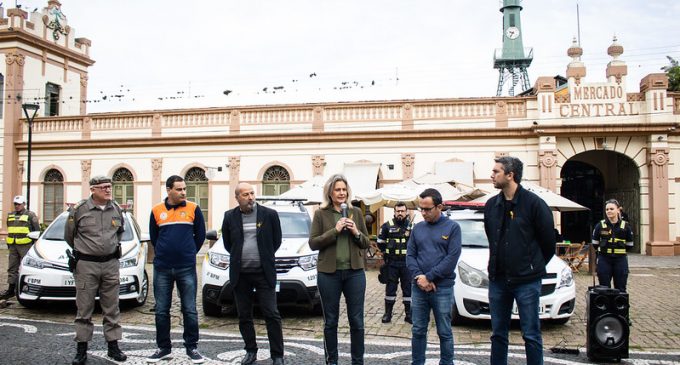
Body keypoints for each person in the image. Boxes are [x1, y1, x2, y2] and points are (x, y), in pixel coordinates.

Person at [483, 156, 556, 365]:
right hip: (498, 279)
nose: (492, 175)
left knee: (531, 334)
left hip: (527, 281)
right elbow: (492, 237)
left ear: (510, 175)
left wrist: (531, 265)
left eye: (496, 171)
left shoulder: (534, 204)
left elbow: (548, 243)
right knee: (498, 334)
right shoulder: (491, 205)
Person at [64, 176, 127, 365]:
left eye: (109, 187)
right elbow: (69, 236)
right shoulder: (79, 210)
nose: (108, 190)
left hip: (110, 264)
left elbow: (119, 232)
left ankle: (113, 347)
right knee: (84, 309)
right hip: (86, 265)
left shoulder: (115, 208)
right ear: (93, 189)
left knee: (112, 308)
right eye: (104, 187)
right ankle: (81, 349)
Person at [309, 174, 370, 365]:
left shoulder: (356, 212)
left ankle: (357, 361)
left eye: (344, 189)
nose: (341, 193)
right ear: (330, 192)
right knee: (331, 322)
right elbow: (313, 243)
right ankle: (332, 361)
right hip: (329, 274)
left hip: (355, 273)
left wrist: (356, 232)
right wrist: (334, 231)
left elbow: (366, 243)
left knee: (357, 322)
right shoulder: (321, 213)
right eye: (337, 189)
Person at [221, 182, 284, 365]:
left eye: (252, 193)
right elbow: (228, 243)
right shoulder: (229, 217)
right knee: (244, 315)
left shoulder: (269, 215)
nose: (250, 197)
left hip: (263, 273)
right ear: (237, 198)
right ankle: (250, 351)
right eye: (246, 194)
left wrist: (263, 256)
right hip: (241, 275)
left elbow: (276, 241)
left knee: (271, 314)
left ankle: (277, 355)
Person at [148, 175, 206, 364]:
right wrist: (166, 253)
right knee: (161, 310)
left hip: (186, 267)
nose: (183, 192)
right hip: (162, 268)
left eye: (184, 189)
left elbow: (201, 235)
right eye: (179, 189)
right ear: (169, 190)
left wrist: (188, 253)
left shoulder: (193, 209)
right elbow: (154, 237)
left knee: (189, 309)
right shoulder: (156, 210)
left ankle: (192, 347)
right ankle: (163, 348)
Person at [406, 188, 462, 365]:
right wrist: (419, 278)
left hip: (443, 287)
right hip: (419, 287)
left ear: (440, 207)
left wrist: (429, 277)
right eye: (420, 209)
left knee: (444, 331)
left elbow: (451, 258)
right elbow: (410, 256)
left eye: (427, 209)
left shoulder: (453, 228)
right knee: (418, 330)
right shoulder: (418, 228)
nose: (423, 213)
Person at [377, 202, 413, 324]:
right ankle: (388, 314)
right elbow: (380, 243)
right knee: (390, 289)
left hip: (406, 264)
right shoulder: (387, 226)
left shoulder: (412, 226)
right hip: (391, 263)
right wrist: (387, 253)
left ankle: (409, 314)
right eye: (398, 211)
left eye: (402, 211)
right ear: (394, 212)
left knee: (408, 289)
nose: (400, 213)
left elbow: (417, 245)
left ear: (406, 212)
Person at [1, 195, 40, 300]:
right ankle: (11, 289)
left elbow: (36, 231)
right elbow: (10, 229)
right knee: (12, 268)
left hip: (26, 246)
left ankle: (27, 287)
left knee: (27, 267)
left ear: (24, 204)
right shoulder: (10, 215)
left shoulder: (30, 215)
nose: (17, 206)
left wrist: (35, 245)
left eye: (19, 204)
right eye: (15, 204)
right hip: (13, 246)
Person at [592, 199, 634, 292]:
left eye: (611, 209)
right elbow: (595, 243)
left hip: (620, 260)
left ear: (618, 210)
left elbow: (630, 245)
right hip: (604, 259)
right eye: (607, 209)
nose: (609, 211)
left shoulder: (626, 226)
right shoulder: (600, 225)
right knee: (603, 288)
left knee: (621, 288)